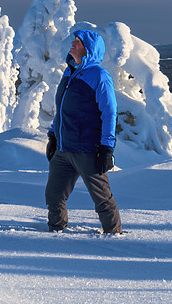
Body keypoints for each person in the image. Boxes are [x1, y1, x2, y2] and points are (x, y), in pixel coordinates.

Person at [45, 27, 122, 234]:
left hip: (87, 150)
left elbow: (109, 113)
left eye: (77, 42)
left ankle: (114, 234)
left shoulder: (99, 75)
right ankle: (56, 232)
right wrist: (53, 135)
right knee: (54, 195)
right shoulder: (69, 72)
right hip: (63, 150)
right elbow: (62, 108)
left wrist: (107, 148)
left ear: (88, 48)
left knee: (102, 198)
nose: (72, 44)